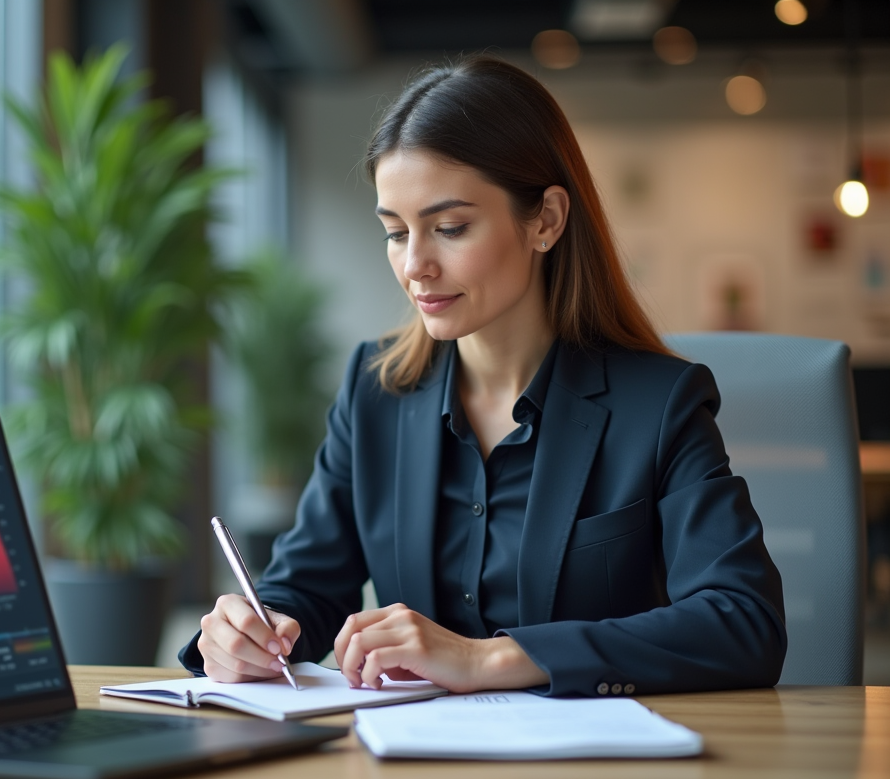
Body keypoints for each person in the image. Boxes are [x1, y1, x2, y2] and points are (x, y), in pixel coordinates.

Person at [180, 55, 787, 697]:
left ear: (546, 220)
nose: (415, 265)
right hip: (410, 751)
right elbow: (306, 584)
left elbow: (743, 623)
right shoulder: (375, 391)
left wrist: (489, 660)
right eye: (395, 233)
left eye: (450, 228)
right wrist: (255, 629)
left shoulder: (658, 404)